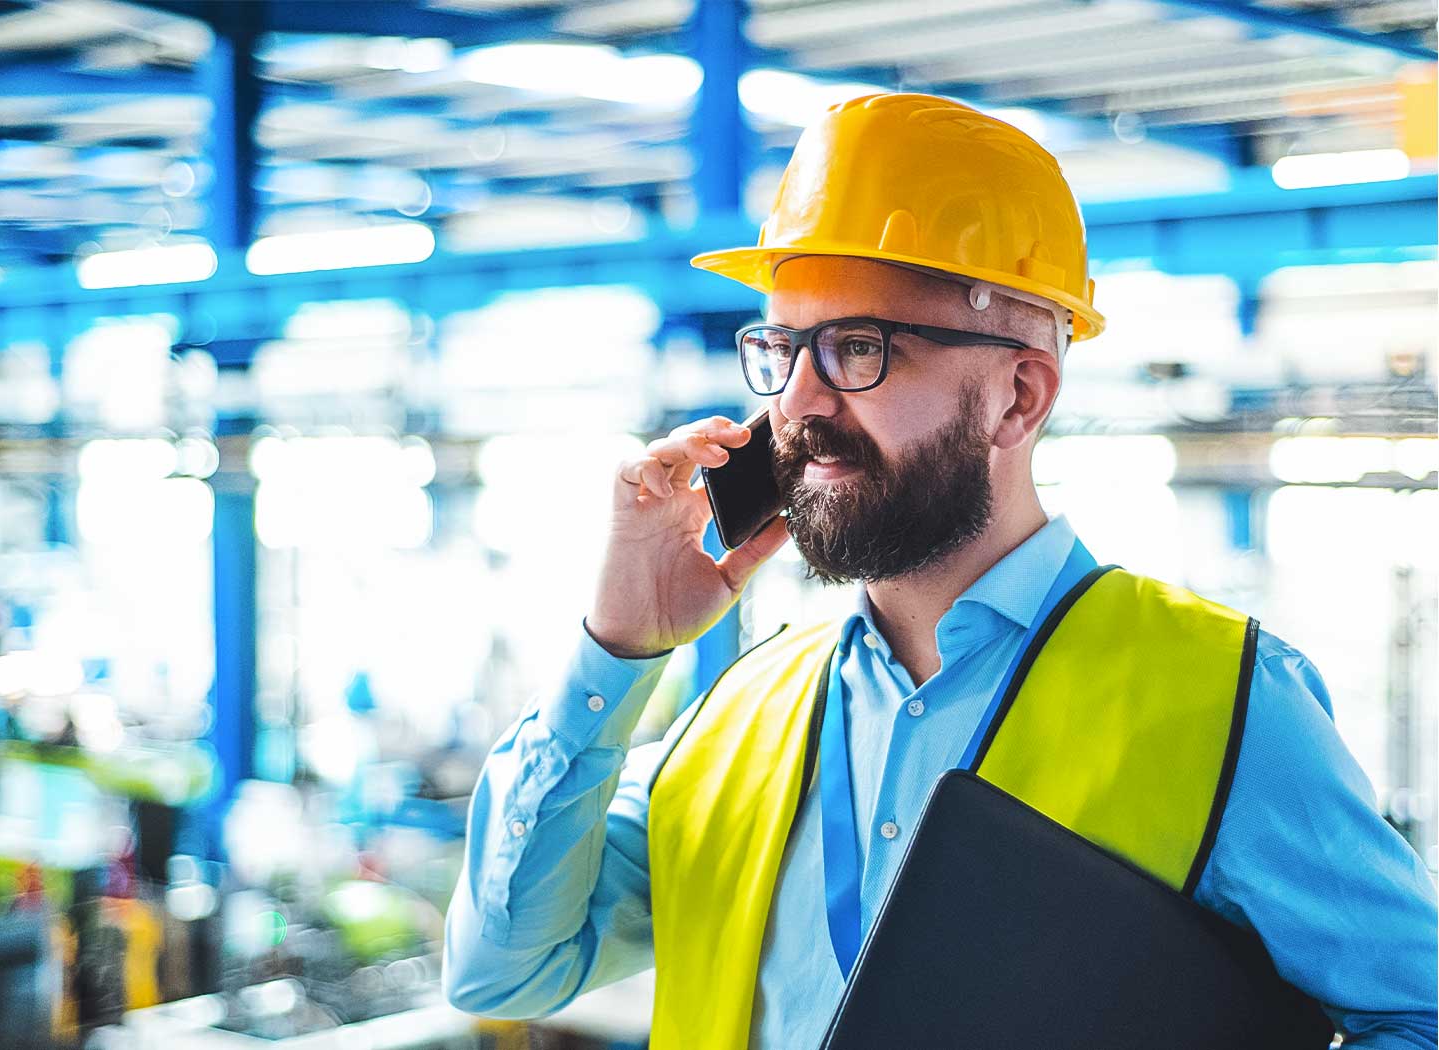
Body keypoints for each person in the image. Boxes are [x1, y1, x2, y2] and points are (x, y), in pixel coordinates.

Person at [441, 93, 1439, 1048]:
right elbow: (503, 974)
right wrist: (616, 650)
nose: (799, 405)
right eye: (782, 350)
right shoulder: (737, 714)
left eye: (860, 350)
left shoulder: (1225, 701)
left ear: (1017, 397)